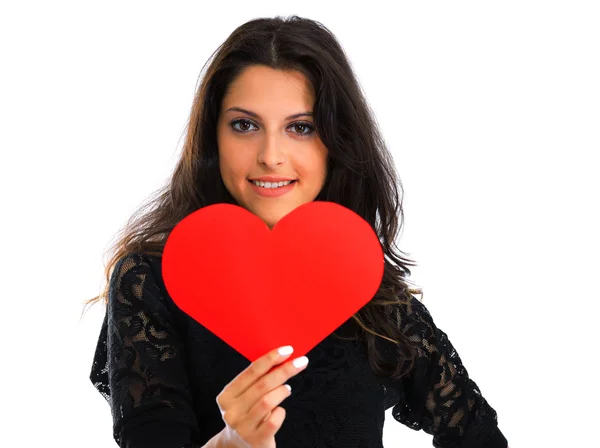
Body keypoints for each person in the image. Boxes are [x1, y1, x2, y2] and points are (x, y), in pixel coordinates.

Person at [88, 15, 508, 448]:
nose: (271, 156)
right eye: (245, 125)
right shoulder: (151, 280)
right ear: (213, 137)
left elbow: (478, 436)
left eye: (301, 128)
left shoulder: (366, 286)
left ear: (336, 141)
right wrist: (232, 443)